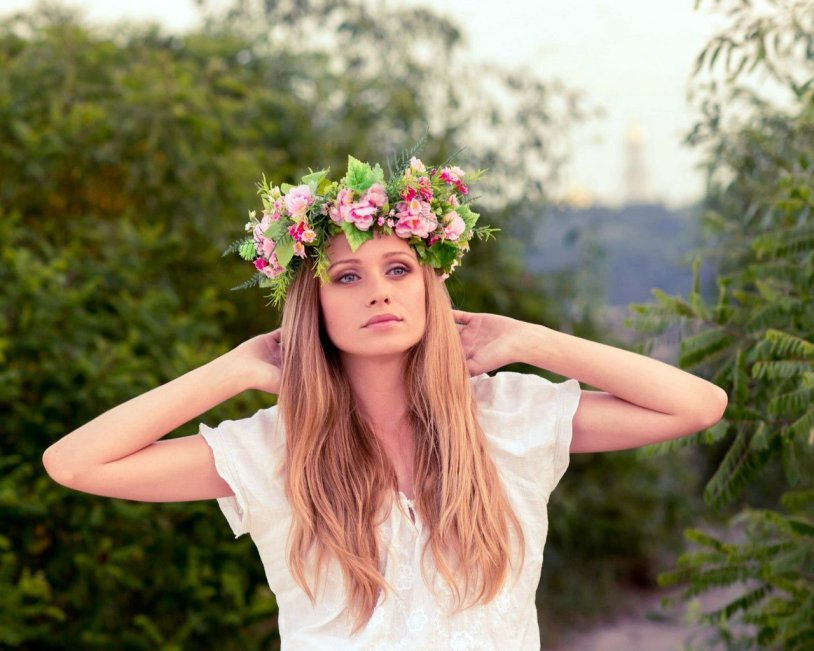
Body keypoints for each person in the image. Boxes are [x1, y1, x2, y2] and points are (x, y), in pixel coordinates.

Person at [42, 155, 727, 650]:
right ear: (314, 308)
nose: (379, 290)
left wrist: (533, 340)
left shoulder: (505, 418)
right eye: (347, 276)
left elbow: (695, 404)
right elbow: (74, 463)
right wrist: (234, 369)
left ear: (430, 288)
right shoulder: (277, 447)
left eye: (399, 268)